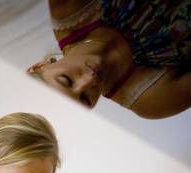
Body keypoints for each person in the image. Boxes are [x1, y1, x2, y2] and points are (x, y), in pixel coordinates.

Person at [27, 0, 191, 119]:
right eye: (85, 99)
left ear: (39, 66)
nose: (89, 81)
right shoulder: (151, 101)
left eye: (66, 80)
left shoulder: (67, 7)